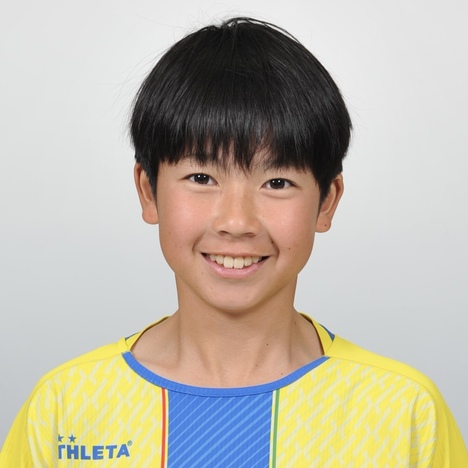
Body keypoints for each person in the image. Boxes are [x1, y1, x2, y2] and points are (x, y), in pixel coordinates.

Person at [1, 17, 466, 467]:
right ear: (148, 191)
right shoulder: (64, 407)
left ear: (327, 201)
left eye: (277, 182)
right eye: (202, 177)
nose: (237, 221)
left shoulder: (404, 412)